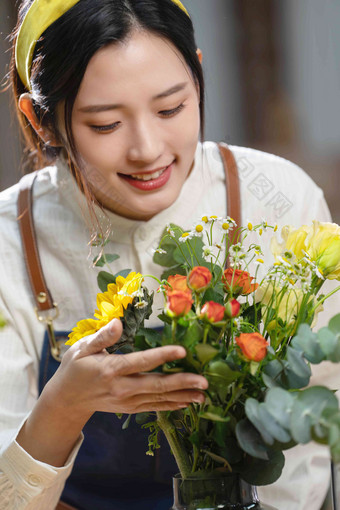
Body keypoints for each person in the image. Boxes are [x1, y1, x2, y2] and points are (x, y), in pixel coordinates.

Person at [0, 1, 338, 509]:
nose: (147, 149)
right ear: (42, 121)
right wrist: (64, 405)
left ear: (198, 77)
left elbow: (305, 454)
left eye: (170, 109)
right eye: (106, 124)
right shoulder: (10, 241)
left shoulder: (280, 200)